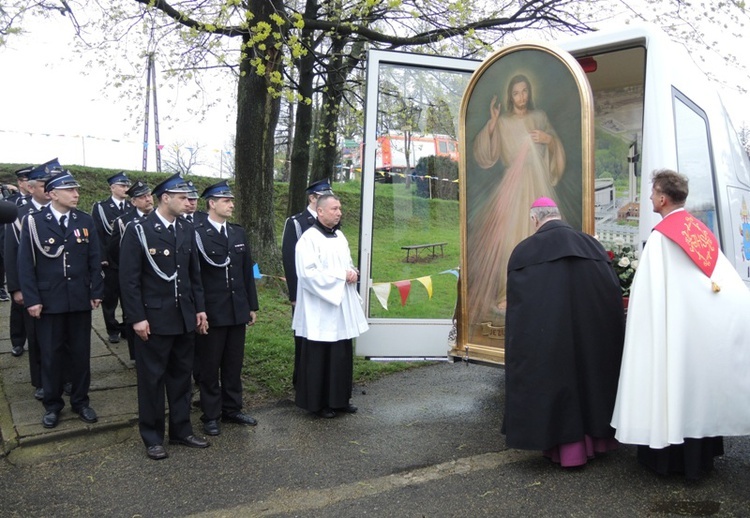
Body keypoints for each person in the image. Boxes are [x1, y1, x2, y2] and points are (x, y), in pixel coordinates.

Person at [611, 169, 750, 479]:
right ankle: (702, 458)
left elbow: (647, 299)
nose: (649, 198)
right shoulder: (700, 230)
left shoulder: (661, 239)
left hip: (672, 336)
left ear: (662, 197)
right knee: (695, 389)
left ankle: (668, 460)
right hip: (696, 334)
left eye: (652, 193)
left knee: (671, 383)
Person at [503, 197, 624, 467]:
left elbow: (521, 310)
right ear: (558, 215)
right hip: (591, 336)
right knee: (590, 382)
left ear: (535, 219)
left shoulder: (525, 251)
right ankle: (599, 442)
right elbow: (610, 294)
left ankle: (566, 450)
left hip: (550, 340)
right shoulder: (592, 245)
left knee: (557, 387)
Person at [119, 173, 209, 460]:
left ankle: (181, 430)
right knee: (152, 380)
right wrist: (136, 317)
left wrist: (199, 309)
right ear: (165, 198)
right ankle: (152, 436)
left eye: (188, 197)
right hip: (154, 319)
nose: (188, 202)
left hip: (183, 316)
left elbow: (194, 275)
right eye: (182, 197)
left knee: (181, 378)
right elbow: (129, 279)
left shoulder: (186, 229)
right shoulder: (140, 230)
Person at [469, 74, 566, 321]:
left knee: (537, 237)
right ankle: (508, 292)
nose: (521, 97)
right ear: (509, 96)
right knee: (509, 240)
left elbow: (556, 150)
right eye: (516, 93)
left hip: (537, 188)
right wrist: (492, 122)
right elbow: (486, 155)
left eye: (524, 92)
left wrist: (549, 140)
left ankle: (539, 291)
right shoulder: (502, 121)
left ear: (529, 93)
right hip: (512, 187)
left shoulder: (539, 117)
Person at [18, 170, 103, 429]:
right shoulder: (34, 222)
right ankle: (53, 405)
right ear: (53, 194)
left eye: (76, 190)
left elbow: (94, 260)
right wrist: (32, 299)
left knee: (80, 354)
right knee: (52, 355)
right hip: (49, 300)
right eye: (70, 190)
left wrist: (96, 291)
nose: (76, 194)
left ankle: (80, 401)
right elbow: (25, 265)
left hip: (78, 298)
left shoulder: (85, 221)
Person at [292, 193, 369, 418]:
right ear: (320, 211)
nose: (339, 213)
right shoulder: (309, 239)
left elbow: (346, 263)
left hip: (340, 307)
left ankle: (340, 399)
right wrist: (342, 275)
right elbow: (307, 274)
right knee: (320, 356)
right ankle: (319, 403)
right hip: (320, 309)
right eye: (334, 209)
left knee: (341, 354)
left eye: (340, 209)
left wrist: (353, 271)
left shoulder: (340, 236)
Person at [194, 180, 259, 436]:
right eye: (226, 201)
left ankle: (232, 408)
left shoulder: (237, 233)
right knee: (210, 366)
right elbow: (195, 277)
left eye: (231, 200)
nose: (232, 204)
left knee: (234, 363)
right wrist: (199, 310)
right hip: (212, 311)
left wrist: (251, 306)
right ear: (212, 203)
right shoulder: (197, 233)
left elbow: (246, 272)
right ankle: (210, 414)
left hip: (236, 310)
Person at [4, 163, 53, 395]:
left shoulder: (61, 213)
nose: (49, 189)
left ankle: (66, 378)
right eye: (44, 185)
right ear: (32, 188)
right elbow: (11, 252)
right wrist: (16, 288)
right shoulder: (19, 214)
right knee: (36, 337)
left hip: (58, 287)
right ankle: (42, 381)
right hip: (32, 285)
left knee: (63, 338)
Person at [281, 179, 334, 389]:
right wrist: (294, 295)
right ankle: (302, 381)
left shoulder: (331, 222)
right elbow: (289, 260)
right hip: (304, 292)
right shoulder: (296, 222)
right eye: (323, 197)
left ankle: (324, 381)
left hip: (326, 289)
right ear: (312, 198)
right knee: (304, 338)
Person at [107, 180, 154, 360]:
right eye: (142, 197)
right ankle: (136, 354)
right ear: (133, 202)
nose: (148, 199)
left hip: (154, 277)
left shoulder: (159, 217)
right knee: (132, 314)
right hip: (134, 274)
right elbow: (114, 248)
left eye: (149, 195)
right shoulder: (123, 222)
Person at [92, 171, 133, 344]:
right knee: (110, 298)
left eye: (127, 186)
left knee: (128, 297)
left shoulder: (132, 206)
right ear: (112, 187)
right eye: (122, 185)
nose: (126, 188)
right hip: (110, 259)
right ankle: (112, 328)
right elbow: (97, 234)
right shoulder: (101, 207)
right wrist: (102, 257)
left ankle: (126, 327)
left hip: (128, 259)